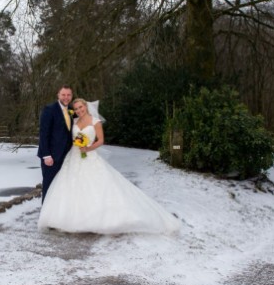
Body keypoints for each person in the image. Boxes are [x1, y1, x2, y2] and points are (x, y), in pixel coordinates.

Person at [38, 98, 181, 235]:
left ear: (86, 107)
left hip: (89, 155)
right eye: (76, 108)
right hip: (74, 157)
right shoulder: (74, 121)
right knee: (70, 185)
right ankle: (65, 219)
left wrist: (88, 148)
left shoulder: (95, 121)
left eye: (81, 107)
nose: (79, 110)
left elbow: (101, 140)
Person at [37, 85, 74, 203]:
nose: (66, 97)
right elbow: (44, 134)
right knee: (49, 185)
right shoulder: (49, 109)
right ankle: (45, 217)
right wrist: (46, 155)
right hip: (52, 157)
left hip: (67, 156)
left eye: (68, 95)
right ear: (58, 95)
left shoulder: (71, 110)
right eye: (63, 94)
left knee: (61, 186)